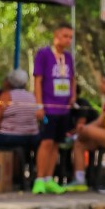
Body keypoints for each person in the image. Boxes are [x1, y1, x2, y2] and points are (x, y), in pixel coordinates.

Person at [32, 24, 87, 193]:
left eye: (70, 37)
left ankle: (49, 178)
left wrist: (73, 96)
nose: (68, 40)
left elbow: (72, 78)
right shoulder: (43, 54)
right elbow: (38, 80)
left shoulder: (68, 57)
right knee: (46, 142)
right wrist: (39, 105)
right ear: (56, 35)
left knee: (56, 143)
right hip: (48, 107)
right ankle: (39, 179)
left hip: (63, 108)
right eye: (65, 36)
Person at [0, 70, 42, 180]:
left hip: (10, 137)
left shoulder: (6, 96)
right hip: (32, 137)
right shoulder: (32, 96)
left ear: (9, 82)